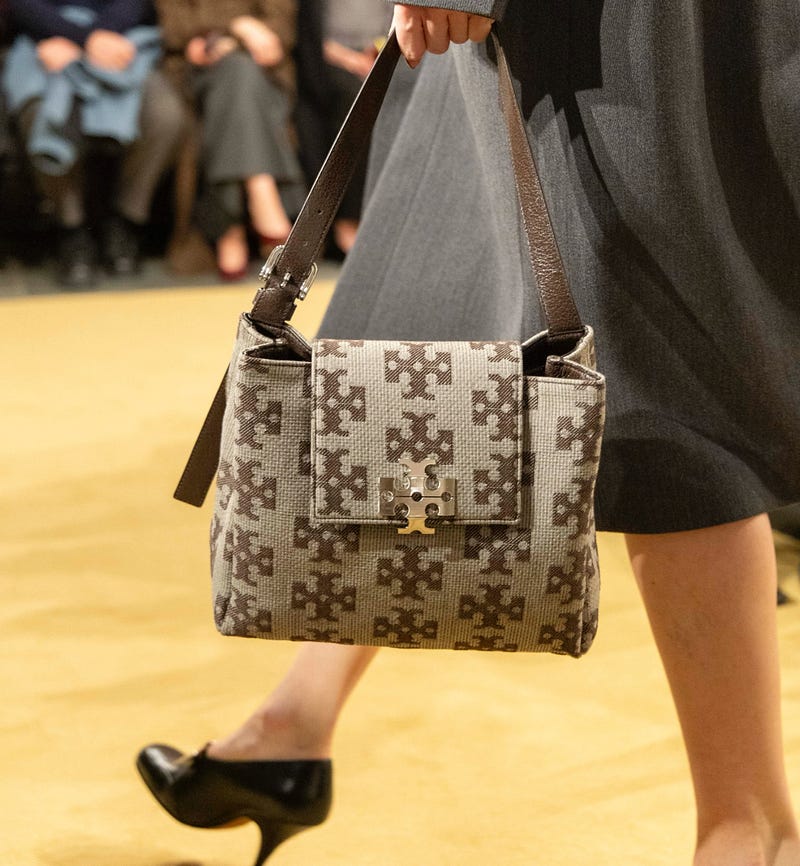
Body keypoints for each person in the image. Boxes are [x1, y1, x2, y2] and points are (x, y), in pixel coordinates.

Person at [137, 3, 800, 866]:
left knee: (658, 386)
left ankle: (752, 834)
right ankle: (296, 719)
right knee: (435, 346)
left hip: (593, 39)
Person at [2, 0, 185, 288]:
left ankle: (126, 222)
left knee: (167, 114)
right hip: (45, 42)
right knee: (41, 116)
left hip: (122, 42)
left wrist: (96, 39)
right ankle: (72, 230)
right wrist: (82, 39)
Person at [154, 0, 304, 281]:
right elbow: (174, 29)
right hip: (198, 73)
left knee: (240, 71)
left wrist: (234, 42)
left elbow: (282, 27)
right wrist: (239, 27)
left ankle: (229, 228)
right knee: (236, 73)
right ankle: (263, 195)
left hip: (262, 71)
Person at [294, 0, 392, 254]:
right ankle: (349, 221)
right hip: (329, 61)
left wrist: (381, 52)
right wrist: (349, 59)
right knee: (355, 98)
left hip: (385, 53)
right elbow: (312, 34)